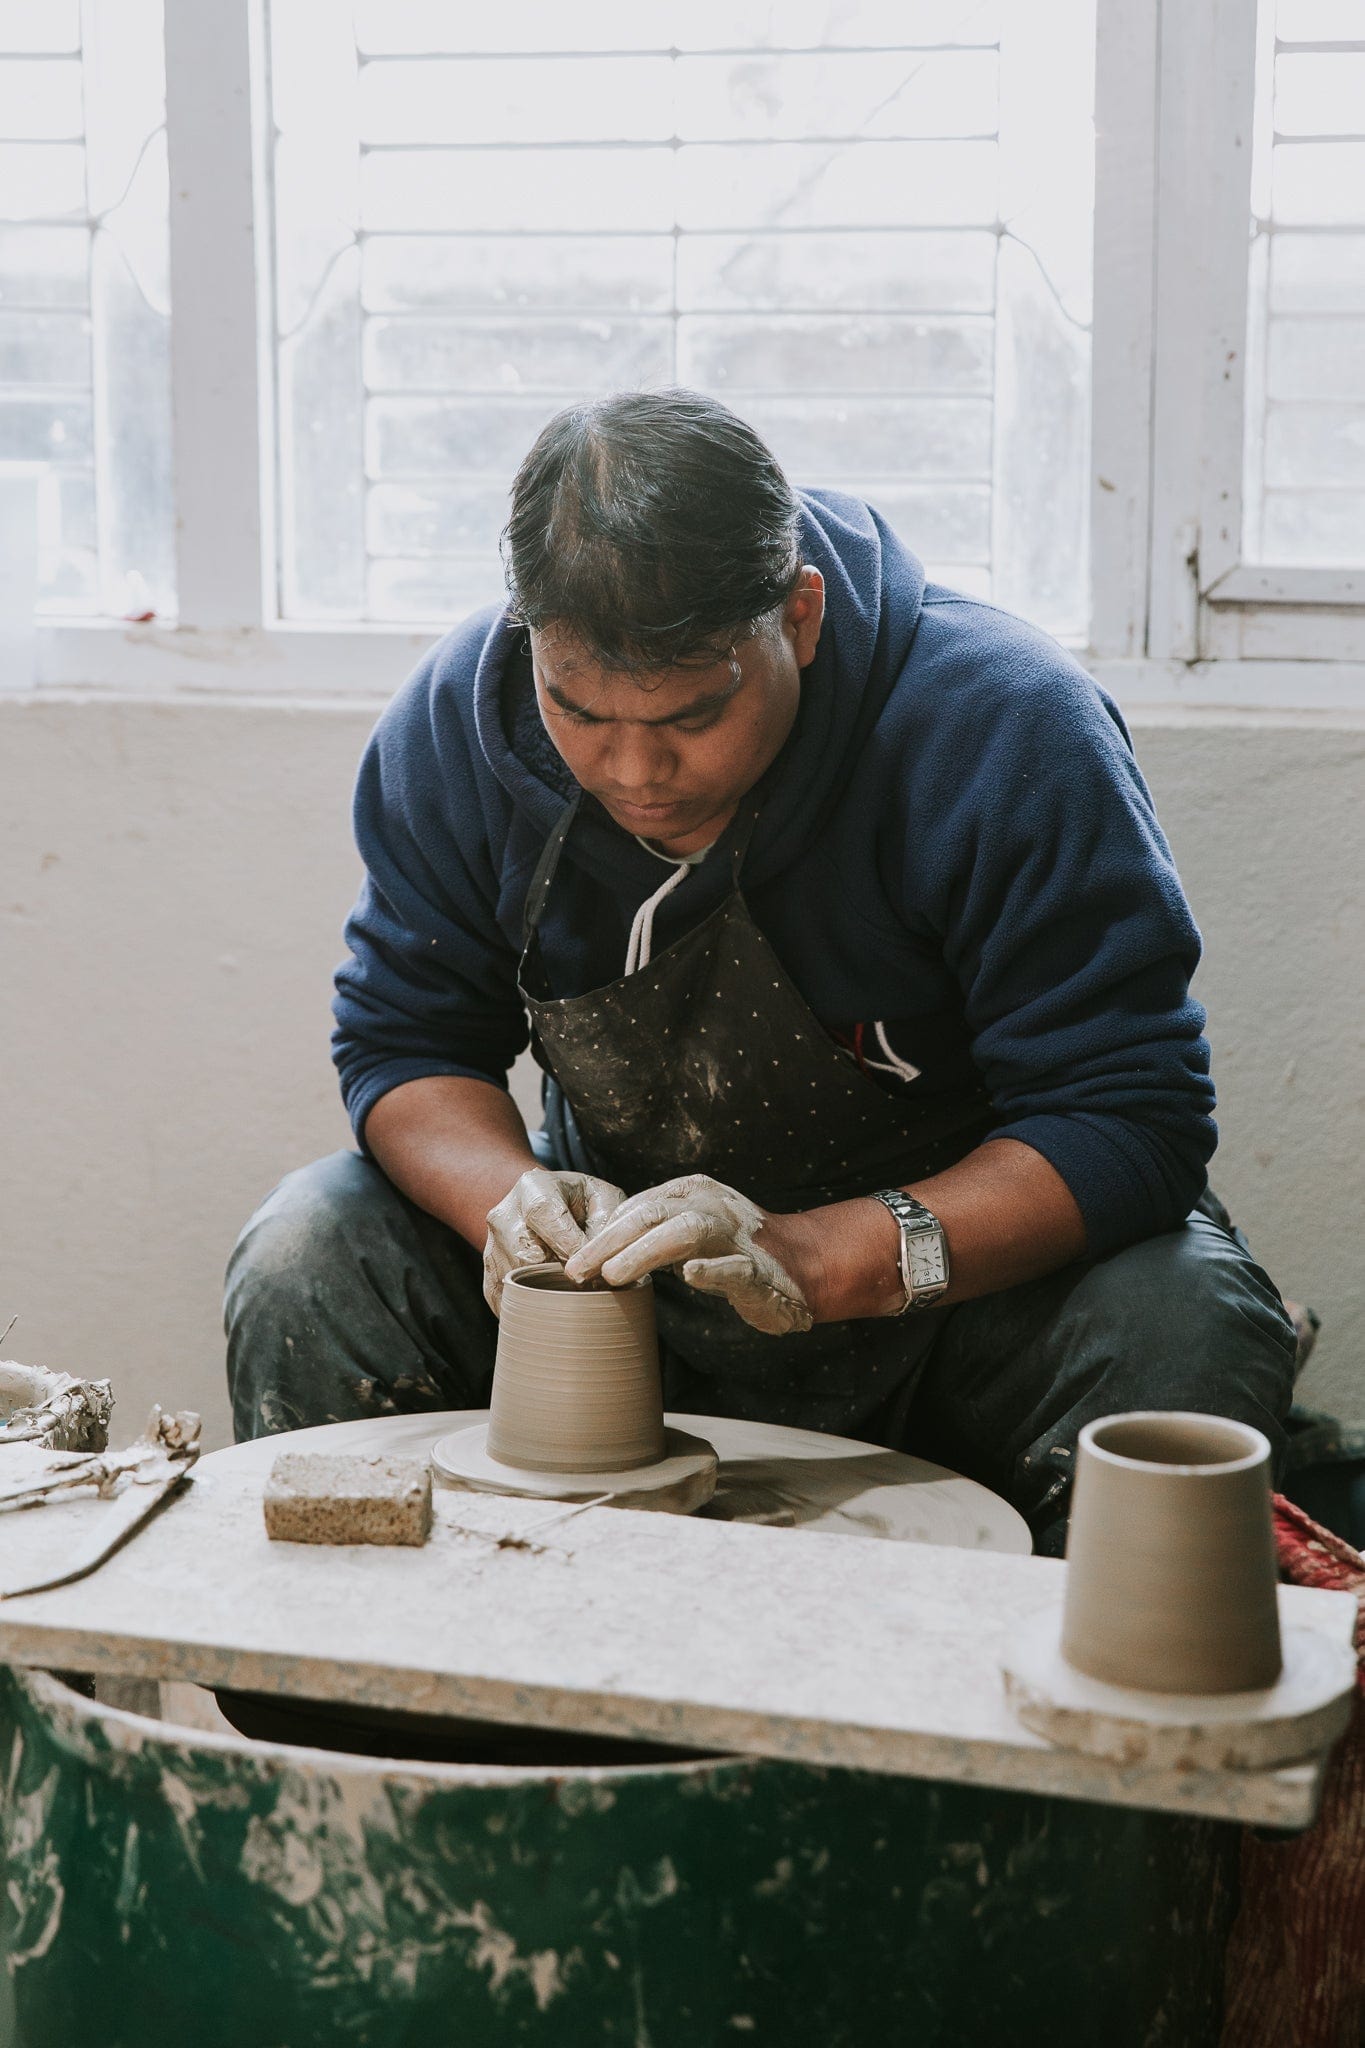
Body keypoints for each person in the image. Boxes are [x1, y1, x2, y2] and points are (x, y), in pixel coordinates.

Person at [224, 389, 1296, 1553]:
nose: (635, 770)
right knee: (312, 1247)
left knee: (1180, 1316)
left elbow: (1129, 1119)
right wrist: (510, 1203)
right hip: (631, 1297)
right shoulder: (457, 725)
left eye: (693, 711)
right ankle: (399, 1725)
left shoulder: (999, 728)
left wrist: (821, 1254)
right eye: (579, 709)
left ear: (800, 614)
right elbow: (405, 1043)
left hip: (956, 1302)